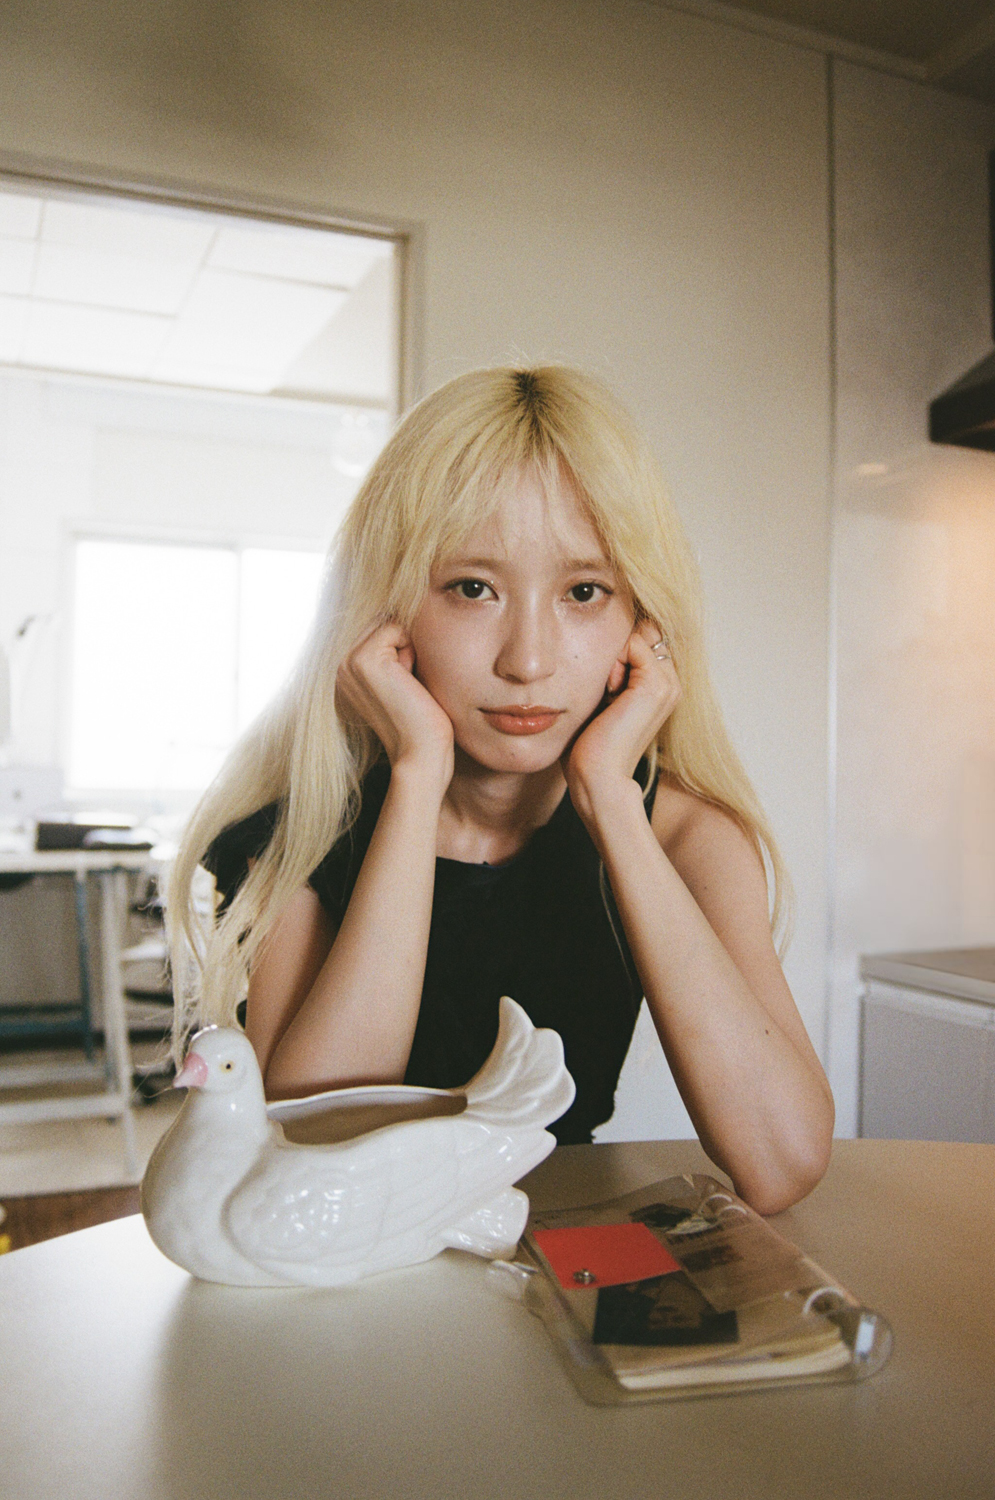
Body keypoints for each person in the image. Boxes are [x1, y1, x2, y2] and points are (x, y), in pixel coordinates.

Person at [168, 365, 833, 1215]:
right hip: (357, 1277)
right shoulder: (299, 833)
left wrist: (611, 802)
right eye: (472, 589)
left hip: (563, 1256)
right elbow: (314, 1149)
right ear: (387, 612)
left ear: (641, 624)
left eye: (583, 592)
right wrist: (417, 778)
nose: (528, 660)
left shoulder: (684, 838)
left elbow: (781, 1162)